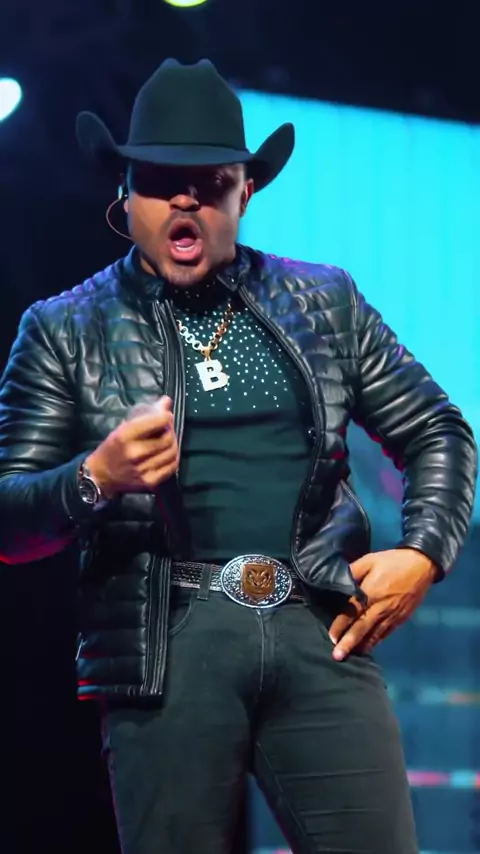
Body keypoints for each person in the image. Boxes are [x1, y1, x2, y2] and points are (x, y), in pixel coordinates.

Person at [0, 58, 476, 854]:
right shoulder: (64, 329)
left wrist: (422, 554)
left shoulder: (324, 301)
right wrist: (94, 477)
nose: (185, 199)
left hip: (318, 628)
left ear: (245, 193)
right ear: (125, 193)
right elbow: (10, 518)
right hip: (167, 646)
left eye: (210, 182)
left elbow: (438, 429)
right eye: (161, 182)